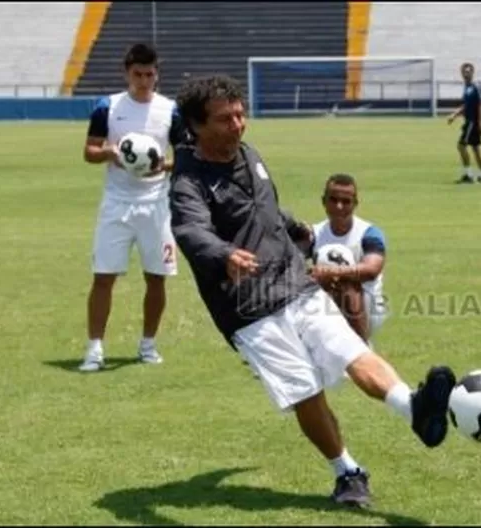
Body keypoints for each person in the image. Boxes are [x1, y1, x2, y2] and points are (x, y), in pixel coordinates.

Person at [168, 74, 457, 507]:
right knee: (305, 389)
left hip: (296, 282)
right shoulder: (188, 182)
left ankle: (414, 408)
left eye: (241, 114)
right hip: (247, 308)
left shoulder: (247, 153)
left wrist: (294, 227)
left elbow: (261, 205)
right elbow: (190, 229)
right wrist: (224, 253)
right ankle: (347, 472)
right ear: (197, 125)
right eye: (226, 119)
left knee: (351, 351)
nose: (239, 124)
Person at [79, 43, 187, 372]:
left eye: (150, 74)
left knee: (156, 278)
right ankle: (95, 349)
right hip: (117, 203)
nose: (144, 80)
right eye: (138, 74)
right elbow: (89, 152)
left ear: (157, 74)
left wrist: (161, 166)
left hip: (156, 204)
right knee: (103, 277)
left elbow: (185, 157)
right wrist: (111, 153)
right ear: (127, 73)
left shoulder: (170, 110)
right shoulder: (107, 107)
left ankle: (148, 345)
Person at [311, 174, 388, 344]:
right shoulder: (314, 233)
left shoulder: (369, 233)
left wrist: (330, 272)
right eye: (333, 200)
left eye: (346, 201)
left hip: (367, 305)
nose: (339, 207)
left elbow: (371, 270)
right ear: (324, 201)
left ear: (355, 204)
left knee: (346, 283)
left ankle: (362, 348)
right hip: (328, 302)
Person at [447, 62, 481, 184]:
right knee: (476, 148)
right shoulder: (467, 87)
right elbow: (466, 106)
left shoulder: (476, 87)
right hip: (469, 122)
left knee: (461, 146)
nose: (466, 73)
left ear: (472, 72)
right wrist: (455, 115)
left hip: (473, 122)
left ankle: (468, 174)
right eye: (464, 71)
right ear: (461, 73)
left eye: (469, 71)